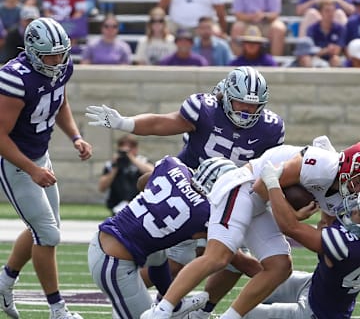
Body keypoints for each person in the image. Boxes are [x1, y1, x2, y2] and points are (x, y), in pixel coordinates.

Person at [85, 66, 287, 318]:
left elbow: (145, 182)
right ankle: (150, 302)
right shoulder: (204, 109)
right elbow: (164, 122)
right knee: (204, 258)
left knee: (195, 259)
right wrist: (127, 123)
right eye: (240, 103)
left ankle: (191, 310)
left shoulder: (270, 127)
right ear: (225, 96)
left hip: (225, 193)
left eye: (253, 106)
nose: (246, 111)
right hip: (198, 194)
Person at [140, 140, 360, 319]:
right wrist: (292, 216)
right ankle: (161, 310)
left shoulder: (343, 194)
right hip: (243, 187)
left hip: (261, 203)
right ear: (350, 164)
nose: (358, 187)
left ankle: (230, 317)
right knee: (218, 257)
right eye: (358, 180)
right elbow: (262, 185)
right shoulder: (322, 165)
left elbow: (324, 224)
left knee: (280, 267)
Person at [0, 17, 92, 319]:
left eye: (60, 53)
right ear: (31, 50)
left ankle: (4, 281)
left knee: (46, 228)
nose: (57, 61)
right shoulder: (15, 78)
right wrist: (31, 169)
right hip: (15, 161)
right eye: (50, 55)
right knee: (48, 234)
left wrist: (76, 136)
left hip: (40, 156)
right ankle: (57, 309)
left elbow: (59, 101)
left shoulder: (61, 67)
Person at [90, 154, 211, 318]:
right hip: (112, 264)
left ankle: (174, 304)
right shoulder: (204, 212)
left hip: (107, 240)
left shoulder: (173, 166)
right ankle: (169, 306)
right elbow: (226, 252)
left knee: (160, 254)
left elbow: (142, 182)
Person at [241, 160, 360, 319]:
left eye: (357, 211)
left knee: (245, 314)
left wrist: (272, 184)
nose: (351, 209)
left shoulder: (345, 245)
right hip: (315, 286)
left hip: (314, 313)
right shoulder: (351, 237)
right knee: (263, 282)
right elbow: (328, 218)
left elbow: (290, 227)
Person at [98, 134, 154, 215]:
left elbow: (152, 173)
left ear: (136, 148)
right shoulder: (111, 164)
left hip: (139, 204)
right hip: (117, 205)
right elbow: (102, 188)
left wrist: (132, 158)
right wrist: (115, 167)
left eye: (131, 147)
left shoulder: (142, 160)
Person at [306, 0, 346, 67]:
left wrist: (323, 51)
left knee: (335, 59)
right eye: (327, 11)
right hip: (317, 59)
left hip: (334, 58)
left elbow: (338, 50)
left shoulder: (340, 28)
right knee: (308, 60)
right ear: (320, 12)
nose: (330, 14)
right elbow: (310, 51)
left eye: (332, 11)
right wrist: (327, 50)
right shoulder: (312, 29)